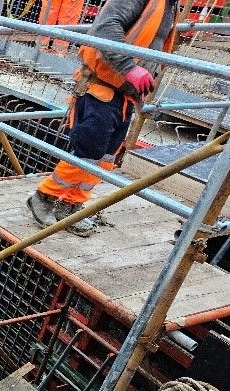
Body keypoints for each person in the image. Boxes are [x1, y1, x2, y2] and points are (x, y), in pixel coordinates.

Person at [27, 0, 178, 237]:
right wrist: (129, 67)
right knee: (89, 150)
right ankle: (44, 196)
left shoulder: (170, 5)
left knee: (107, 155)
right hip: (102, 87)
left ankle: (71, 205)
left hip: (125, 94)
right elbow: (106, 26)